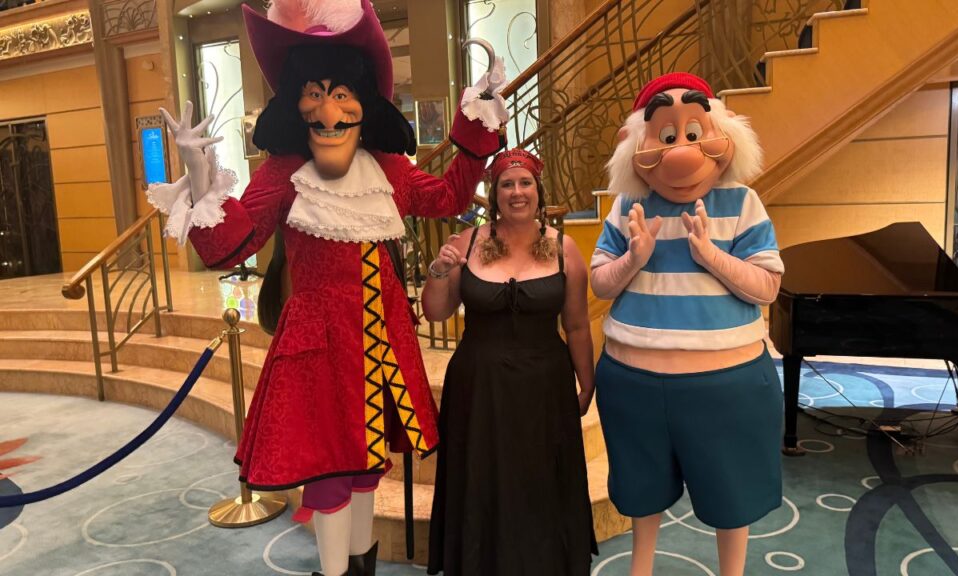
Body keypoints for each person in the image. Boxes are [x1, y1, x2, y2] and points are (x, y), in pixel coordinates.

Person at [146, 1, 509, 574]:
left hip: (379, 343)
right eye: (314, 93)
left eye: (343, 94)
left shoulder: (388, 169)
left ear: (365, 105)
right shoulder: (283, 171)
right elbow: (230, 246)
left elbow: (448, 199)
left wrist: (476, 128)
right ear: (295, 104)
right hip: (317, 351)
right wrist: (195, 172)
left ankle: (358, 566)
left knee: (365, 468)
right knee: (331, 474)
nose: (329, 110)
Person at [592, 72, 784, 576]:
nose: (681, 151)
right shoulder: (626, 207)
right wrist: (635, 256)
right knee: (640, 484)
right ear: (637, 142)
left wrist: (710, 255)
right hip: (634, 378)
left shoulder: (743, 202)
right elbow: (601, 284)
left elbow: (767, 287)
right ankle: (641, 568)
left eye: (693, 133)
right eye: (666, 134)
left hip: (727, 381)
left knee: (731, 489)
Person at [422, 148, 598, 575]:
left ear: (538, 191)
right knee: (482, 481)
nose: (517, 192)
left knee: (539, 481)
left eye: (525, 183)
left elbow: (576, 326)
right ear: (493, 193)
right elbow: (435, 313)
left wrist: (587, 383)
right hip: (479, 389)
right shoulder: (467, 243)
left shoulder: (565, 250)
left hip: (545, 388)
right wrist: (438, 271)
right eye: (506, 184)